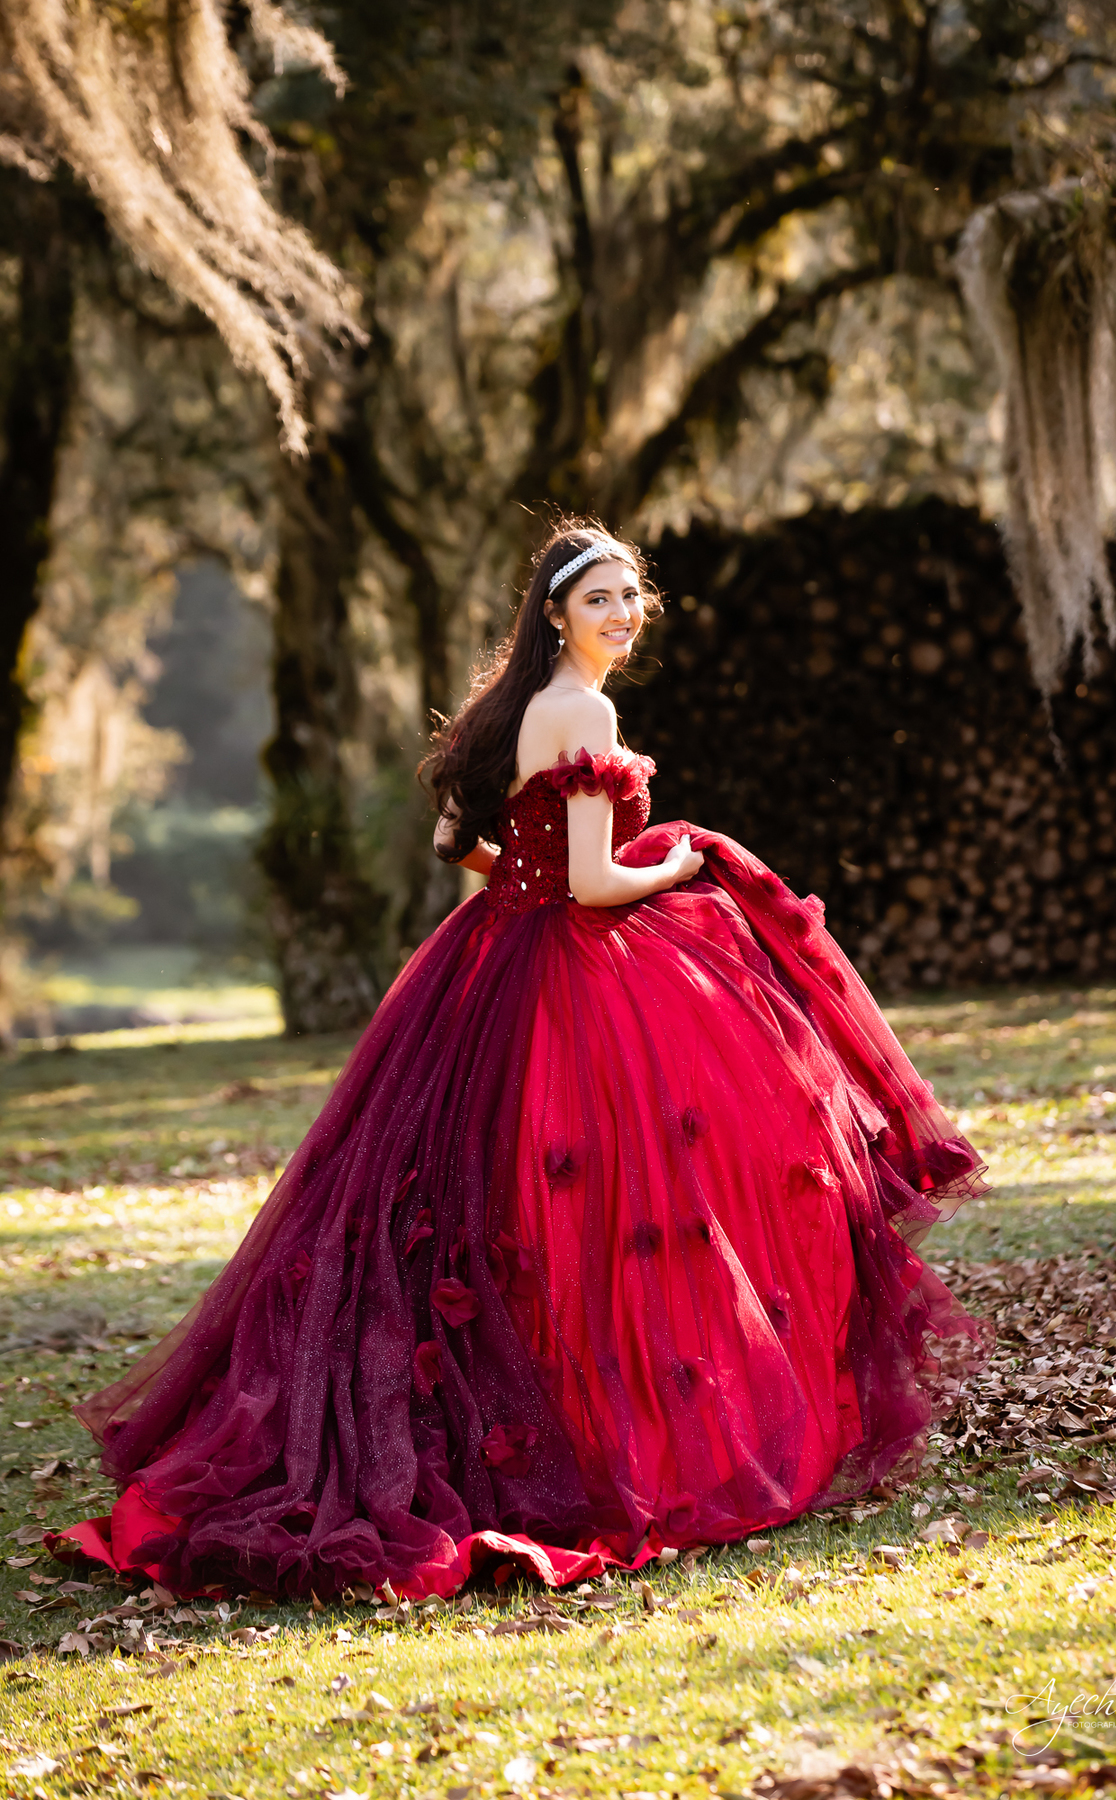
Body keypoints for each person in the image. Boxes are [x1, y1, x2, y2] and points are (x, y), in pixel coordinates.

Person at [59, 521, 992, 1602]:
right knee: (620, 1188)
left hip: (497, 953)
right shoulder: (579, 710)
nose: (621, 613)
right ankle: (616, 1434)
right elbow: (596, 886)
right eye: (597, 598)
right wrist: (686, 861)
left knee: (487, 1191)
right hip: (570, 970)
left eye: (631, 594)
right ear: (553, 611)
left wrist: (527, 882)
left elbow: (461, 838)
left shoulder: (511, 708)